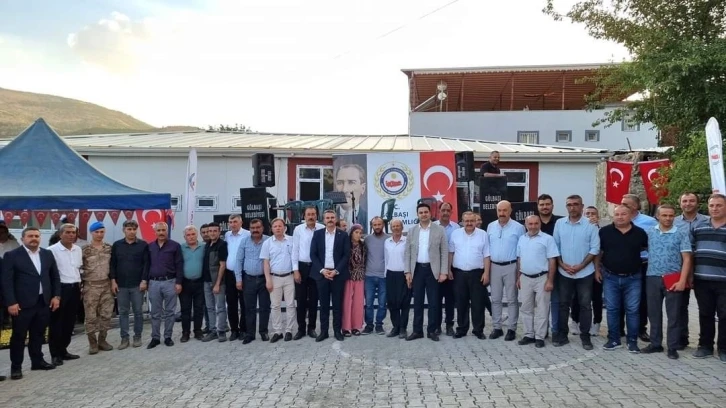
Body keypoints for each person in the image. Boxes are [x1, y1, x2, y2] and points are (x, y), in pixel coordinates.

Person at [2, 227, 61, 380]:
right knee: (19, 336)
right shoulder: (12, 256)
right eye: (30, 236)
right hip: (22, 304)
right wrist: (11, 302)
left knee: (38, 334)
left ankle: (37, 361)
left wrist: (56, 296)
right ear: (22, 239)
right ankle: (16, 367)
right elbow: (6, 282)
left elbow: (55, 277)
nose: (34, 238)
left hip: (43, 302)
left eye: (36, 236)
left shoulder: (47, 254)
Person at [595, 205, 648, 354]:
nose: (620, 217)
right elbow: (599, 252)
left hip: (633, 278)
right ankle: (614, 339)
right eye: (617, 214)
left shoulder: (640, 233)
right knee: (612, 309)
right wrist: (597, 270)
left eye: (623, 214)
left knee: (633, 310)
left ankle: (632, 341)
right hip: (610, 277)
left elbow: (646, 250)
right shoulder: (604, 232)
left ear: (630, 215)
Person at [643, 204, 692, 359]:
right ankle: (655, 344)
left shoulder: (681, 233)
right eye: (664, 215)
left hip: (673, 278)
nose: (668, 218)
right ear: (658, 216)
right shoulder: (650, 232)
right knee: (654, 313)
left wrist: (683, 280)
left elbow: (687, 258)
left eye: (671, 215)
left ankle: (672, 347)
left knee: (674, 315)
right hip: (652, 277)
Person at [553, 194, 600, 350]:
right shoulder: (560, 224)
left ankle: (585, 336)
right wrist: (562, 264)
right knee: (563, 304)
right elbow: (555, 246)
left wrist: (581, 265)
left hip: (585, 273)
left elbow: (595, 248)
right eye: (569, 204)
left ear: (582, 206)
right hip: (564, 272)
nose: (572, 207)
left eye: (575, 204)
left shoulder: (591, 225)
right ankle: (562, 335)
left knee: (585, 305)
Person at [405, 203, 448, 342]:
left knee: (433, 302)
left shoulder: (439, 230)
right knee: (417, 301)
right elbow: (407, 253)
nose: (423, 214)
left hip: (433, 270)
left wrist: (443, 272)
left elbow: (444, 252)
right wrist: (407, 272)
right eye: (421, 212)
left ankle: (432, 330)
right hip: (417, 270)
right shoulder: (412, 231)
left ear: (430, 213)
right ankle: (417, 331)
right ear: (417, 215)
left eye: (425, 212)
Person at [691, 194, 726, 361]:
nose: (715, 208)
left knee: (725, 315)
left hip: (724, 280)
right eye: (712, 205)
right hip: (702, 279)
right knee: (705, 313)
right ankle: (705, 346)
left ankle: (724, 349)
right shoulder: (699, 227)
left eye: (719, 205)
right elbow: (690, 252)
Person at [516, 215, 559, 348]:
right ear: (526, 225)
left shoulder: (548, 239)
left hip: (542, 278)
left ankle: (540, 336)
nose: (533, 226)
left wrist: (550, 280)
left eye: (536, 223)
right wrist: (518, 277)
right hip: (525, 277)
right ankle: (528, 334)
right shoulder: (522, 239)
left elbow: (552, 260)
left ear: (540, 224)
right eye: (530, 224)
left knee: (542, 308)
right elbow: (519, 259)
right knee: (526, 308)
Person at [674, 192, 709, 349]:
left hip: (703, 267)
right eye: (685, 201)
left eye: (691, 201)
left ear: (698, 203)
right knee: (680, 305)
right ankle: (682, 339)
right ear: (680, 203)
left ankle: (705, 341)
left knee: (705, 307)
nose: (688, 204)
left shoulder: (707, 221)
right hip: (680, 268)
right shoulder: (674, 222)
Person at [486, 200, 525, 341]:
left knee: (512, 299)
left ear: (510, 211)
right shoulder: (490, 226)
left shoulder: (518, 228)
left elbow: (522, 251)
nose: (502, 213)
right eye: (499, 210)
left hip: (511, 266)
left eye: (505, 210)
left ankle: (512, 329)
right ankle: (497, 327)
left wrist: (520, 272)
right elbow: (487, 248)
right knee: (495, 299)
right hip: (494, 266)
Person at [622, 193, 658, 342]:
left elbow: (655, 241)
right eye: (622, 204)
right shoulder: (618, 219)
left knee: (642, 298)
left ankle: (640, 329)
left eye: (626, 204)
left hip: (642, 264)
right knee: (620, 297)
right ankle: (619, 328)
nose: (623, 206)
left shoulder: (649, 222)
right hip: (621, 264)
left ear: (636, 206)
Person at [310, 210, 351, 342]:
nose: (330, 220)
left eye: (332, 217)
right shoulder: (317, 234)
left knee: (337, 304)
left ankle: (337, 331)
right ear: (323, 220)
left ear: (336, 219)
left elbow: (346, 255)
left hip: (337, 275)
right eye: (327, 218)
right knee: (323, 305)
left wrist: (336, 271)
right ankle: (324, 331)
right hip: (322, 275)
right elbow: (313, 254)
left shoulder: (343, 235)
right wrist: (322, 270)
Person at [449, 211, 490, 339]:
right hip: (459, 274)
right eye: (466, 221)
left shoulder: (483, 234)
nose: (469, 223)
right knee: (461, 303)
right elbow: (451, 253)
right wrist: (448, 270)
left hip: (477, 273)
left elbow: (486, 255)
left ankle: (478, 330)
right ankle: (462, 329)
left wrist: (486, 273)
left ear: (476, 221)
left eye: (472, 221)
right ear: (462, 222)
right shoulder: (455, 234)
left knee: (478, 303)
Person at [110, 220, 149, 349]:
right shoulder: (117, 245)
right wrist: (113, 281)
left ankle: (137, 336)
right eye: (129, 229)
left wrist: (144, 281)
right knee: (123, 312)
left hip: (137, 285)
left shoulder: (143, 245)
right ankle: (124, 338)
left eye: (134, 229)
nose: (132, 232)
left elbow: (146, 264)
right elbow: (113, 264)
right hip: (121, 285)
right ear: (124, 230)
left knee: (138, 312)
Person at [48, 223, 83, 366]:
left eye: (73, 232)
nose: (71, 235)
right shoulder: (51, 250)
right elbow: (50, 274)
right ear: (60, 234)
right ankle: (55, 354)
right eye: (68, 232)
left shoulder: (78, 249)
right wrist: (54, 295)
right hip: (60, 289)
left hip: (75, 288)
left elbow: (78, 269)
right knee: (57, 323)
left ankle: (63, 350)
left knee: (69, 322)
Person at [143, 222, 183, 349]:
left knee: (170, 312)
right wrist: (145, 281)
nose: (161, 232)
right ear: (155, 232)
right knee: (155, 312)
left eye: (163, 230)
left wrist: (179, 282)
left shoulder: (175, 246)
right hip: (154, 283)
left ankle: (168, 337)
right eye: (158, 230)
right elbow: (146, 265)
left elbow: (179, 265)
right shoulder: (150, 247)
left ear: (167, 231)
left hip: (170, 282)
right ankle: (155, 338)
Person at [81, 221, 114, 354]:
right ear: (91, 233)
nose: (99, 234)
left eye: (102, 232)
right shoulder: (85, 250)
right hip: (91, 286)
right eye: (97, 232)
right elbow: (79, 267)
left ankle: (102, 340)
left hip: (106, 285)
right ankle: (92, 343)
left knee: (106, 315)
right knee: (91, 317)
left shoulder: (109, 248)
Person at [261, 218, 296, 343]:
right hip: (274, 277)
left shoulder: (291, 240)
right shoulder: (267, 243)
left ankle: (289, 330)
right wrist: (268, 280)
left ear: (284, 227)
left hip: (289, 276)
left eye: (280, 226)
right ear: (271, 229)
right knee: (275, 305)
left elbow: (295, 258)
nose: (277, 228)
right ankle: (278, 331)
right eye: (275, 226)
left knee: (290, 304)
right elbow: (266, 263)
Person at [571, 205, 604, 337]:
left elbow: (600, 250)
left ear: (598, 216)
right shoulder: (579, 230)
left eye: (593, 213)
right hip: (580, 268)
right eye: (587, 213)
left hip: (597, 269)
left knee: (596, 297)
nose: (590, 216)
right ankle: (575, 320)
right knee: (577, 297)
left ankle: (596, 322)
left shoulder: (602, 231)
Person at [291, 206, 323, 340]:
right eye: (308, 214)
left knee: (314, 299)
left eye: (313, 214)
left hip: (316, 267)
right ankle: (301, 329)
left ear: (317, 215)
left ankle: (312, 328)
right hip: (302, 267)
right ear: (304, 216)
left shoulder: (322, 228)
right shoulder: (298, 229)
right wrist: (295, 270)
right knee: (301, 300)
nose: (311, 216)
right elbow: (295, 250)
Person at [236, 219, 270, 344]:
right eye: (252, 228)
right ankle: (250, 334)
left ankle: (263, 332)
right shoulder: (244, 241)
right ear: (249, 229)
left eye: (257, 227)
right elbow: (239, 260)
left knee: (264, 307)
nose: (255, 230)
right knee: (249, 308)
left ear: (262, 228)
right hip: (248, 279)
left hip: (264, 279)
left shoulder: (268, 241)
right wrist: (238, 279)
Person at [537, 194, 563, 337]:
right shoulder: (533, 223)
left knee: (556, 301)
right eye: (542, 204)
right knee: (541, 303)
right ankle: (542, 331)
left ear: (552, 205)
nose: (545, 207)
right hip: (538, 269)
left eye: (547, 204)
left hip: (557, 268)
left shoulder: (561, 222)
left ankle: (556, 330)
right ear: (537, 206)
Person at [434, 202, 459, 336]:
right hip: (436, 268)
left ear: (451, 212)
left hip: (451, 269)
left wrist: (449, 269)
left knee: (450, 299)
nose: (445, 213)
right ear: (439, 211)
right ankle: (437, 326)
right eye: (443, 210)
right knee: (436, 298)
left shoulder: (456, 228)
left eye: (448, 210)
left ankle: (450, 325)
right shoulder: (433, 227)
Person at [201, 222, 229, 343]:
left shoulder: (222, 245)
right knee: (210, 307)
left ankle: (221, 331)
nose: (211, 233)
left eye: (214, 231)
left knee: (220, 307)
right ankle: (213, 331)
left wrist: (217, 283)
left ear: (219, 232)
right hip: (206, 281)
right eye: (209, 231)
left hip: (218, 282)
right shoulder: (207, 245)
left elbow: (222, 265)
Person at [225, 214, 250, 341]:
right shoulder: (227, 235)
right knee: (231, 303)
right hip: (229, 274)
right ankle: (234, 330)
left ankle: (244, 329)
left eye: (235, 222)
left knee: (244, 303)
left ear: (241, 222)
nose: (232, 224)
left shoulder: (247, 234)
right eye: (230, 222)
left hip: (243, 273)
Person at [179, 225, 206, 342]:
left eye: (193, 234)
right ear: (184, 237)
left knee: (199, 308)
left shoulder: (204, 247)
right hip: (185, 283)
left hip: (200, 283)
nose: (191, 237)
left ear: (197, 235)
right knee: (185, 309)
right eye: (188, 235)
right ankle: (185, 333)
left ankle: (198, 331)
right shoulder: (180, 248)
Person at [384, 219, 410, 338]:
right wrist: (385, 274)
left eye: (398, 226)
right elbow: (386, 258)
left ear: (402, 227)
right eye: (393, 226)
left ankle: (403, 328)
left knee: (404, 302)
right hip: (390, 274)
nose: (396, 228)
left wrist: (409, 274)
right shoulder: (387, 242)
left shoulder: (407, 241)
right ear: (391, 228)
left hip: (404, 275)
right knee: (392, 302)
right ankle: (396, 327)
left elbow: (410, 258)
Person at [363, 216, 388, 335]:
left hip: (384, 276)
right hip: (369, 276)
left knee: (382, 303)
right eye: (375, 225)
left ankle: (379, 325)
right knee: (369, 303)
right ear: (372, 226)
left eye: (379, 224)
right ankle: (369, 325)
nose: (377, 227)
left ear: (383, 225)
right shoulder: (367, 239)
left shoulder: (388, 239)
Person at [342, 224, 366, 336]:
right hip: (348, 276)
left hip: (360, 276)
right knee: (347, 302)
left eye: (360, 233)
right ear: (351, 233)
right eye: (356, 232)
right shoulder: (346, 244)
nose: (358, 235)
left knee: (358, 302)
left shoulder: (363, 245)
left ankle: (356, 326)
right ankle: (346, 327)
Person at [335, 163, 368, 232]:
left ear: (363, 188)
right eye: (340, 182)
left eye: (351, 182)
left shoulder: (368, 218)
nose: (344, 189)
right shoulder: (330, 219)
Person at [198, 223, 211, 334]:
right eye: (203, 232)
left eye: (208, 232)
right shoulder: (200, 247)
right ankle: (208, 325)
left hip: (215, 280)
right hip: (202, 280)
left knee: (218, 304)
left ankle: (223, 324)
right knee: (206, 305)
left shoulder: (216, 245)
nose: (206, 234)